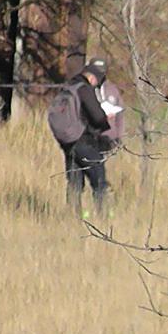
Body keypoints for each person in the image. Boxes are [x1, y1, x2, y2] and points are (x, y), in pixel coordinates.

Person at [57, 59, 112, 217]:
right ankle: (104, 219)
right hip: (84, 141)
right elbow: (97, 116)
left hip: (68, 143)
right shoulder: (84, 90)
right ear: (94, 77)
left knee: (74, 183)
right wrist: (106, 125)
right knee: (99, 180)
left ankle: (72, 218)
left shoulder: (69, 87)